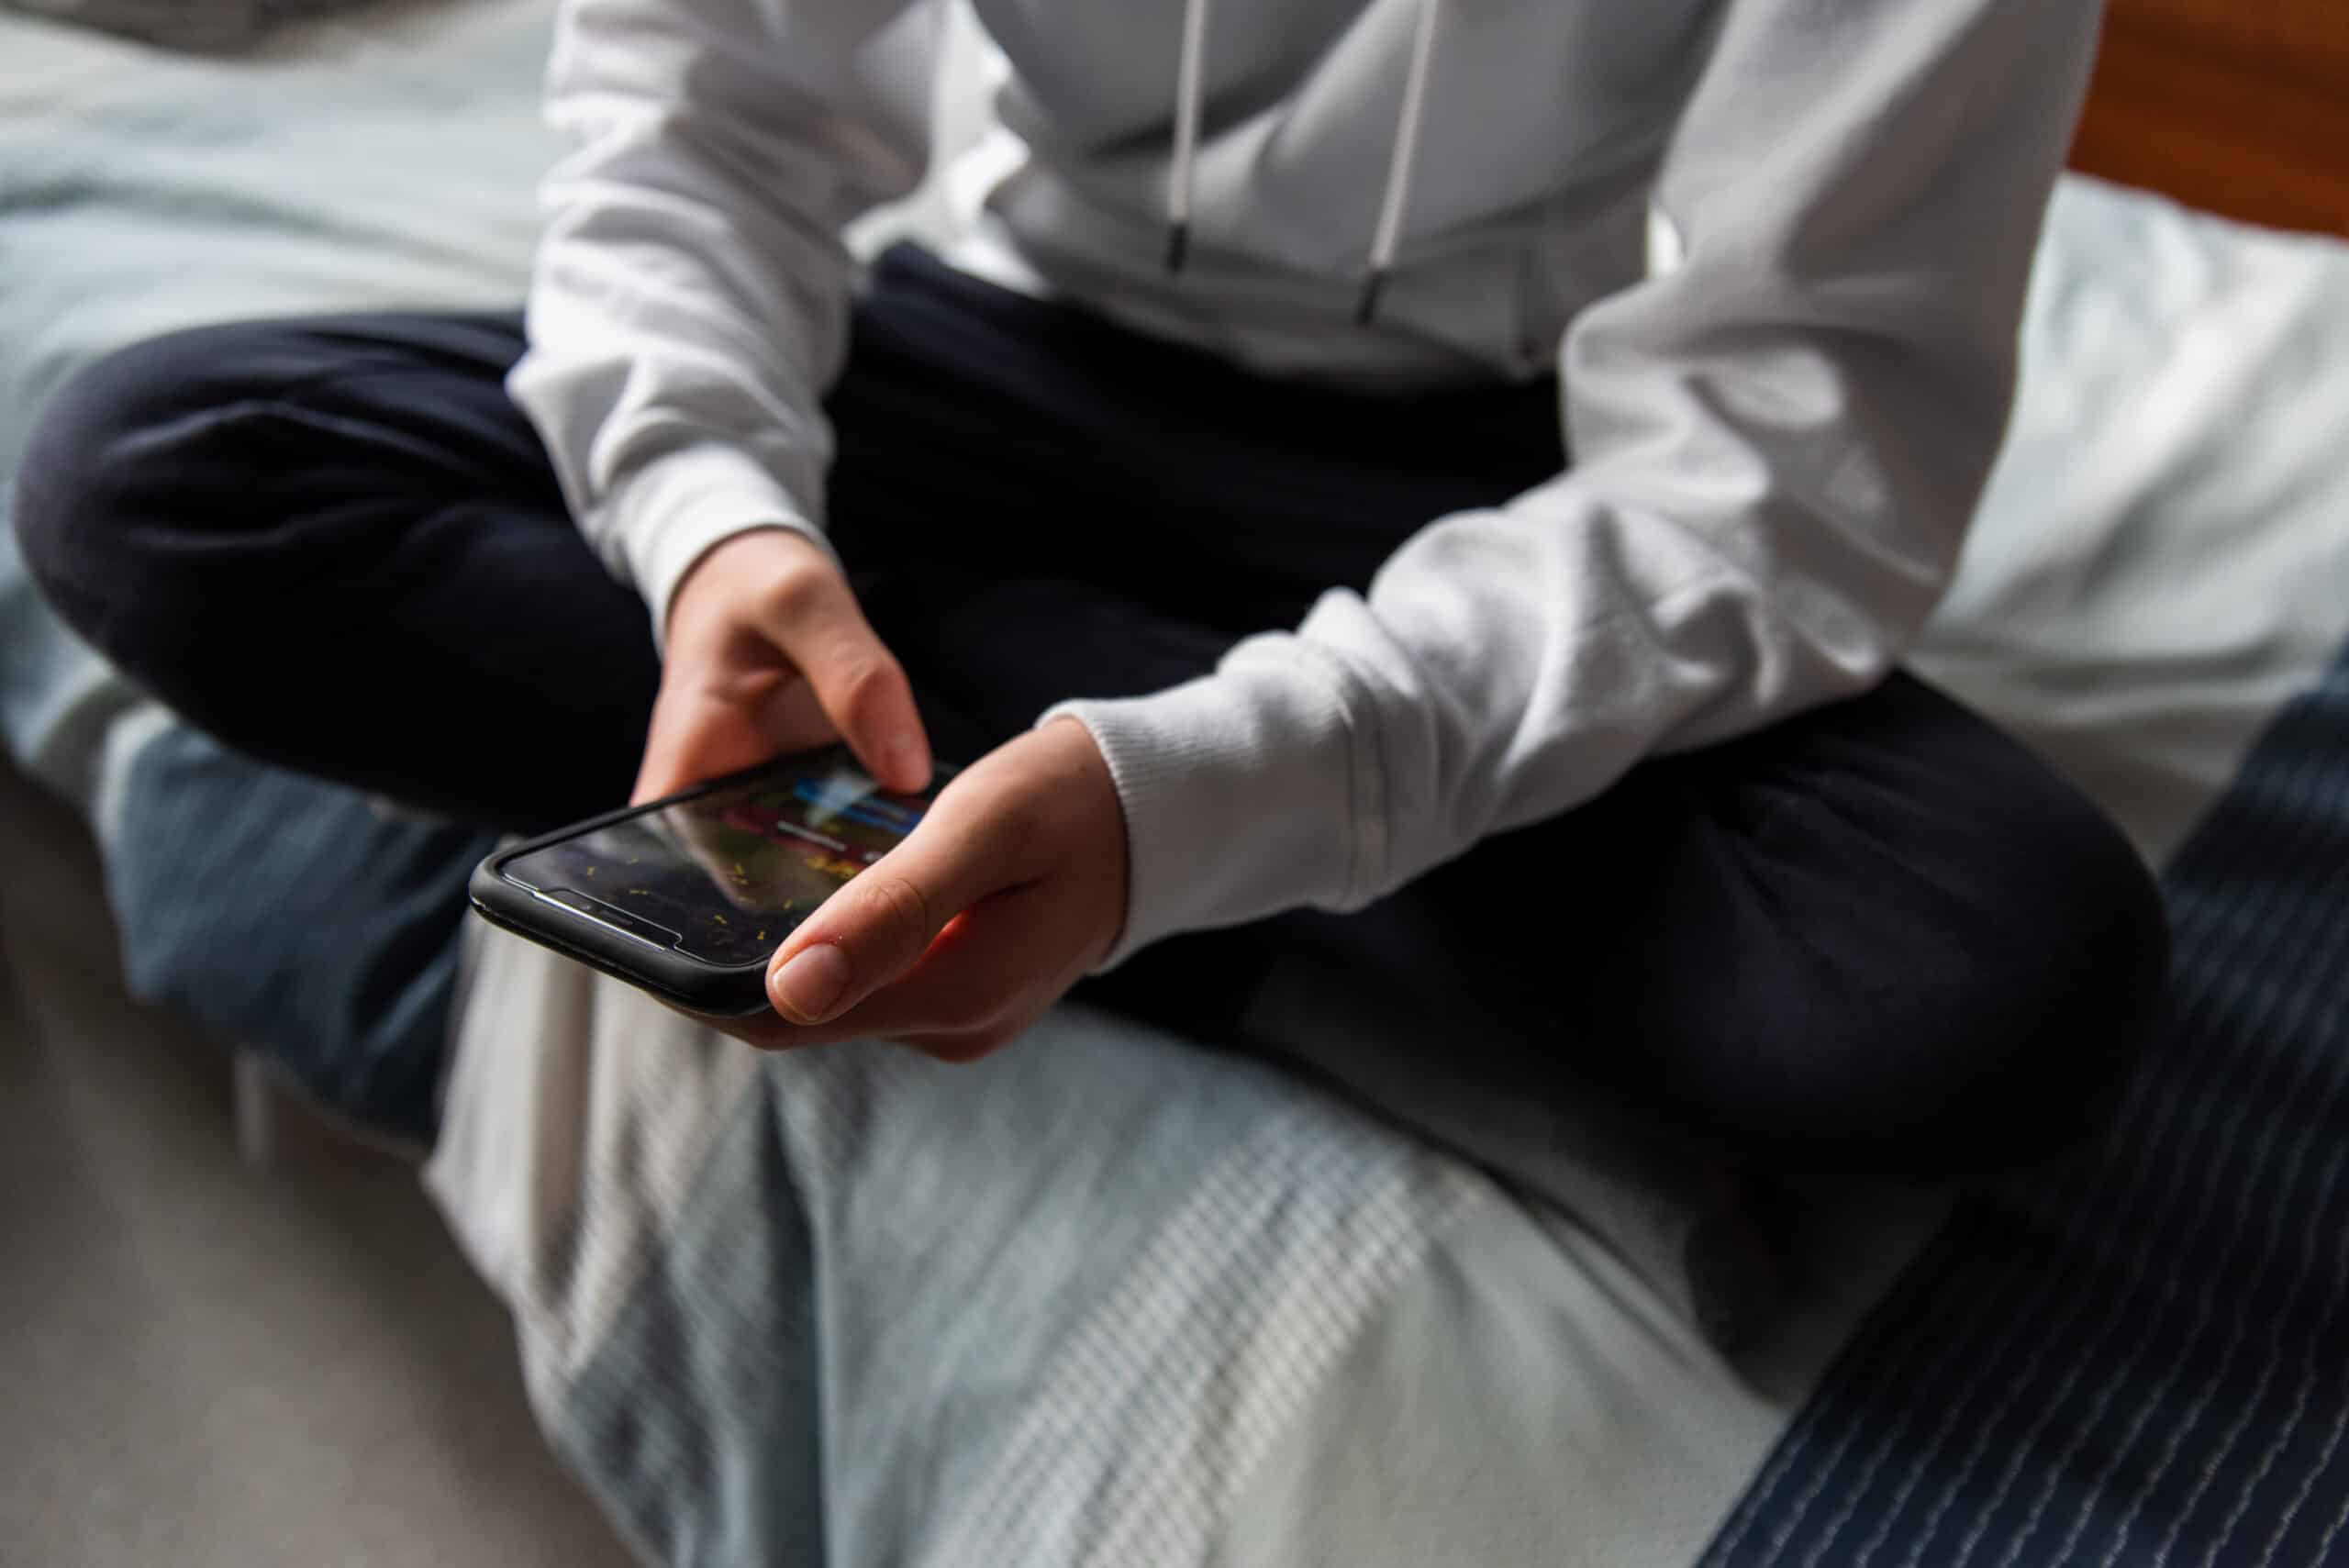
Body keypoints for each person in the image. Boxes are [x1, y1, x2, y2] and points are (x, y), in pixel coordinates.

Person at [17, 0, 2167, 1173]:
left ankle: (1096, 828)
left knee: (1986, 979)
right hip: (983, 358)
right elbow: (701, 111)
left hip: (1514, 475)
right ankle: (1149, 841)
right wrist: (717, 524)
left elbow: (1785, 455)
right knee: (165, 477)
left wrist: (1206, 793)